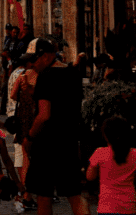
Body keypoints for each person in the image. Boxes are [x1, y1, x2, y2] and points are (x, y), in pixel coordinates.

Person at [24, 38, 89, 215]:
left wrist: (29, 137)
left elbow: (44, 115)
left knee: (44, 196)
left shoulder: (45, 77)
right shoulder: (73, 74)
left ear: (46, 56)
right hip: (68, 141)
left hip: (47, 144)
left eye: (34, 59)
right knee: (74, 195)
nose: (31, 65)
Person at [87, 116, 136, 215]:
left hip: (106, 207)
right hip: (129, 207)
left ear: (105, 135)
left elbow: (90, 177)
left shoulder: (100, 153)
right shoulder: (135, 154)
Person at [9, 53, 39, 211]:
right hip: (36, 116)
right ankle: (29, 194)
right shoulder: (40, 76)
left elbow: (13, 95)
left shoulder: (21, 76)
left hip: (23, 117)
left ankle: (25, 193)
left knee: (26, 157)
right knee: (34, 158)